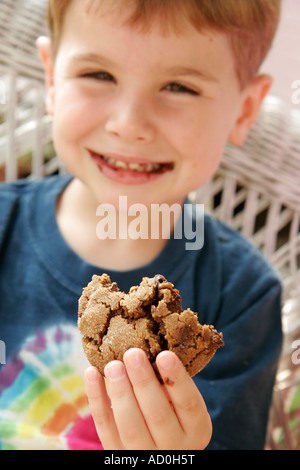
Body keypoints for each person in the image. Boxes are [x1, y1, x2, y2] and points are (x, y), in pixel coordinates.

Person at [0, 0, 283, 450]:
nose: (130, 125)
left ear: (245, 110)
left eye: (179, 86)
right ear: (52, 78)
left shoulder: (243, 295)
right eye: (100, 75)